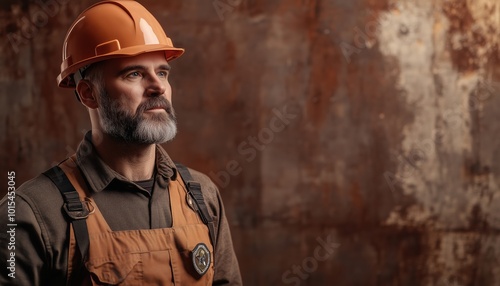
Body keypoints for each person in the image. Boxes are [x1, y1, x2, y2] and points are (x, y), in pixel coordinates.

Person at [0, 1, 242, 285]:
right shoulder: (29, 212)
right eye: (135, 74)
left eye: (162, 72)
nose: (158, 86)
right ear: (89, 94)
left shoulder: (203, 196)